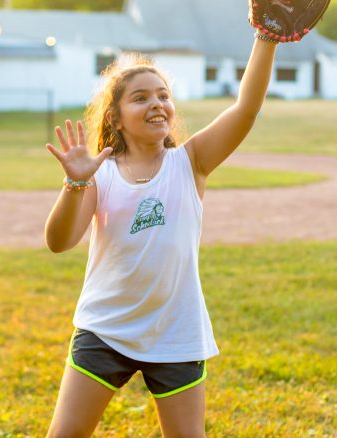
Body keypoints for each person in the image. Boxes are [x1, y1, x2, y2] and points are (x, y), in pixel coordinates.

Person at [43, 32, 277, 437]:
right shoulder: (101, 174)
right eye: (140, 98)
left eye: (163, 95)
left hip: (175, 330)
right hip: (105, 328)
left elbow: (246, 109)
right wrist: (75, 184)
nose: (156, 103)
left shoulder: (191, 161)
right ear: (114, 117)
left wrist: (266, 39)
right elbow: (59, 241)